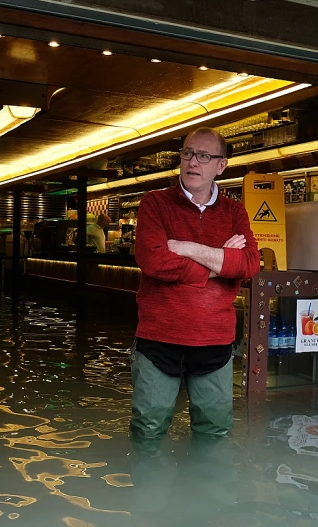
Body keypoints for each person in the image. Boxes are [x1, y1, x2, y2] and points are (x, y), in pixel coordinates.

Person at [131, 127, 260, 440]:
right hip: (160, 338)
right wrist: (219, 262)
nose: (192, 162)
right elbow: (154, 261)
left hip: (214, 340)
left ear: (221, 165)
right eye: (187, 153)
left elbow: (248, 264)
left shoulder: (234, 212)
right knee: (148, 431)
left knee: (214, 432)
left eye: (203, 156)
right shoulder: (155, 203)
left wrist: (187, 248)